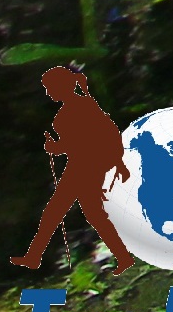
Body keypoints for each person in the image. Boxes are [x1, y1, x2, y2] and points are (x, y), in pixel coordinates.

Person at [14, 67, 129, 271]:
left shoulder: (82, 106)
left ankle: (123, 255)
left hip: (87, 166)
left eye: (50, 88)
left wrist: (56, 147)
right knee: (62, 212)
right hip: (79, 165)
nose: (48, 93)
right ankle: (33, 256)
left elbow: (92, 139)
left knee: (86, 213)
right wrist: (57, 147)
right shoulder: (73, 107)